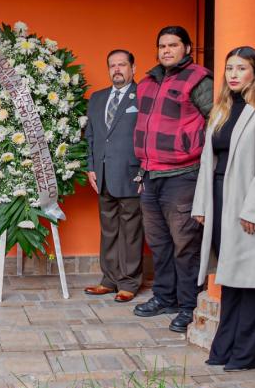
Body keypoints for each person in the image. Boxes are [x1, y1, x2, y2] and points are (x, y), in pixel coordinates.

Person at [191, 46, 255, 371]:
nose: (233, 74)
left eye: (241, 68)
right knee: (229, 277)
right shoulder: (221, 110)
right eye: (229, 68)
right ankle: (225, 347)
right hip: (218, 199)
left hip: (246, 203)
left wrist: (254, 210)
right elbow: (206, 162)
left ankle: (246, 354)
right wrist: (202, 204)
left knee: (251, 281)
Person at [132, 25, 213, 333]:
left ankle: (189, 305)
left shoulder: (198, 79)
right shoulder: (148, 81)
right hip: (150, 173)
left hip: (183, 174)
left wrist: (192, 147)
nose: (166, 50)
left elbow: (215, 120)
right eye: (162, 45)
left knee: (185, 244)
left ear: (187, 49)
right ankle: (165, 297)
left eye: (173, 45)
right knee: (159, 243)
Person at [84, 49, 144, 303]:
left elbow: (147, 135)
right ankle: (109, 279)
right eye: (112, 65)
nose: (117, 69)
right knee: (108, 228)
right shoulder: (97, 99)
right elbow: (91, 137)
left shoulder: (143, 96)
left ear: (133, 68)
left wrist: (143, 170)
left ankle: (129, 281)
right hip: (103, 174)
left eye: (122, 65)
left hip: (131, 175)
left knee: (131, 229)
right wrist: (91, 167)